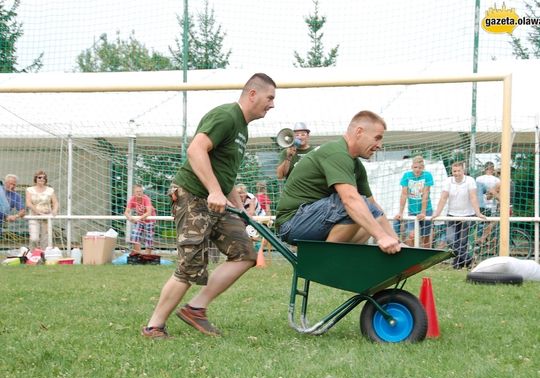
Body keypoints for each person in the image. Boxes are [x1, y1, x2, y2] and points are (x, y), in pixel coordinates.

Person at [142, 73, 276, 338]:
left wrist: (240, 212)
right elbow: (195, 150)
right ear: (252, 94)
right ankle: (153, 326)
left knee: (244, 253)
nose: (272, 104)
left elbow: (226, 176)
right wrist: (214, 191)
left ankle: (196, 308)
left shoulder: (242, 129)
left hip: (215, 202)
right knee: (191, 265)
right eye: (269, 98)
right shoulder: (226, 116)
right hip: (192, 195)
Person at [276, 110, 401, 254]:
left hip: (313, 220)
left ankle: (340, 264)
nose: (380, 145)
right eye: (377, 138)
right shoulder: (337, 153)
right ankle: (326, 264)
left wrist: (396, 242)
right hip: (291, 223)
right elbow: (350, 200)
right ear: (359, 132)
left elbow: (374, 207)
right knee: (353, 204)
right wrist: (382, 237)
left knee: (369, 211)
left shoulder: (356, 165)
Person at [432, 161, 486, 269]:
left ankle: (457, 265)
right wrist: (437, 213)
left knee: (463, 241)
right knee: (450, 240)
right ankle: (468, 259)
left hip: (467, 215)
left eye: (458, 171)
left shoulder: (470, 180)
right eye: (454, 171)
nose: (456, 173)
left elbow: (473, 197)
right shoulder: (448, 181)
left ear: (463, 171)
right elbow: (443, 198)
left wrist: (478, 213)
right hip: (452, 215)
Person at [394, 156, 434, 248]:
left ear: (423, 168)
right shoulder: (407, 176)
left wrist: (423, 212)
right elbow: (404, 194)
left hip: (426, 210)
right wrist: (400, 212)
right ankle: (412, 256)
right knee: (411, 235)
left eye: (420, 168)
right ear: (412, 167)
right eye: (415, 167)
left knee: (426, 237)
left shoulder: (427, 175)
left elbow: (425, 194)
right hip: (412, 211)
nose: (417, 170)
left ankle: (426, 258)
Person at [25, 170, 59, 249]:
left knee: (46, 239)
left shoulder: (50, 190)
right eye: (39, 177)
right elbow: (28, 203)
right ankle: (33, 256)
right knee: (34, 238)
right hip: (34, 216)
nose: (42, 179)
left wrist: (54, 210)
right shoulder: (29, 189)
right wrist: (38, 212)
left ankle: (45, 256)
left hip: (47, 217)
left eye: (44, 178)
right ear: (35, 179)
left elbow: (55, 202)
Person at [124, 184, 156, 254]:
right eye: (137, 191)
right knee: (135, 235)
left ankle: (148, 255)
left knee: (149, 238)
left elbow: (149, 212)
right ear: (134, 193)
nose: (139, 193)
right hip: (140, 219)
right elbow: (126, 212)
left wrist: (138, 219)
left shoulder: (146, 198)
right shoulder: (132, 199)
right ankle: (137, 253)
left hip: (149, 219)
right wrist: (130, 218)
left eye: (140, 191)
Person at [475, 161, 500, 248]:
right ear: (492, 169)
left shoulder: (478, 178)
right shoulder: (497, 180)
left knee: (479, 225)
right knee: (491, 223)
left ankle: (481, 241)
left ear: (484, 169)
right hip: (491, 206)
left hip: (479, 206)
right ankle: (484, 241)